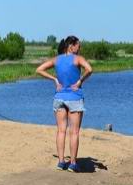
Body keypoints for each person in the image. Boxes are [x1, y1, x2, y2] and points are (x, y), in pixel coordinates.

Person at [35, 35, 92, 172]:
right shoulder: (78, 59)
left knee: (61, 131)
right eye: (78, 45)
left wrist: (54, 79)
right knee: (74, 132)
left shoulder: (57, 60)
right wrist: (80, 82)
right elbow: (89, 69)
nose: (80, 47)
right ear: (71, 46)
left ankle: (61, 162)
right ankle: (72, 163)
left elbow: (39, 69)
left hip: (59, 98)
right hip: (74, 98)